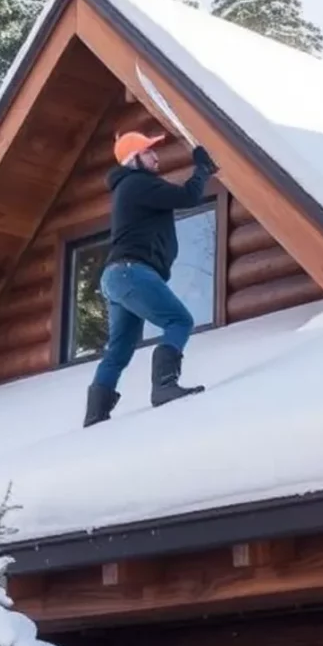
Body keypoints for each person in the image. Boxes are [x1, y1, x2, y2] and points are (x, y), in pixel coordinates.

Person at [83, 130, 218, 427]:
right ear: (134, 160)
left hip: (119, 276)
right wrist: (202, 170)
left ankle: (96, 415)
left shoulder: (130, 187)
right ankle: (164, 385)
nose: (156, 156)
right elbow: (187, 196)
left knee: (120, 348)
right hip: (132, 272)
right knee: (179, 321)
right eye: (149, 152)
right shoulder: (136, 184)